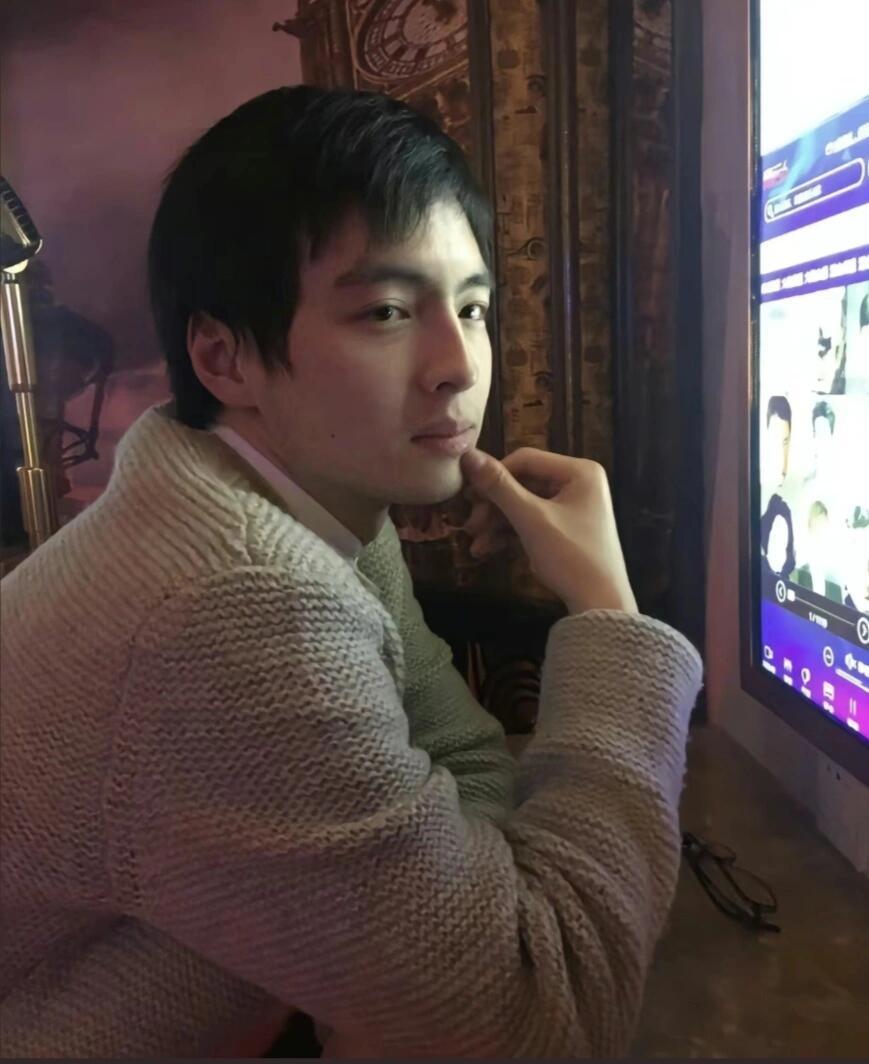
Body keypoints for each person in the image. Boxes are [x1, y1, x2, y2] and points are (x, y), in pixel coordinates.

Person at [0, 86, 702, 1059]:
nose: (459, 364)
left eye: (472, 306)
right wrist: (608, 613)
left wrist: (451, 905)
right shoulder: (236, 601)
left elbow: (457, 752)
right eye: (385, 310)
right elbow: (545, 1014)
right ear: (223, 356)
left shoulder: (307, 500)